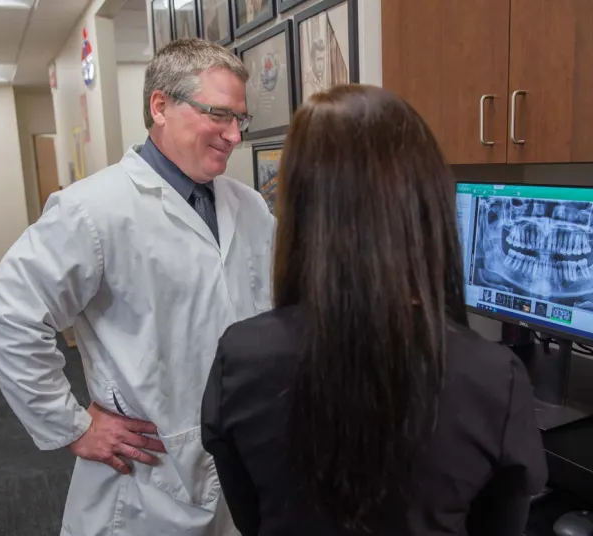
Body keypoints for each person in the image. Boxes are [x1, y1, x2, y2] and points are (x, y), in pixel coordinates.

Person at [201, 85, 548, 536]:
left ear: (301, 209)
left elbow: (252, 519)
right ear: (426, 204)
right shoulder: (493, 378)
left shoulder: (241, 357)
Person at [0, 38, 275, 536]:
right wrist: (73, 426)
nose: (233, 135)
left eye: (239, 120)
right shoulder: (92, 210)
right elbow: (7, 318)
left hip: (241, 458)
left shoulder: (250, 207)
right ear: (160, 106)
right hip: (147, 479)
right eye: (218, 115)